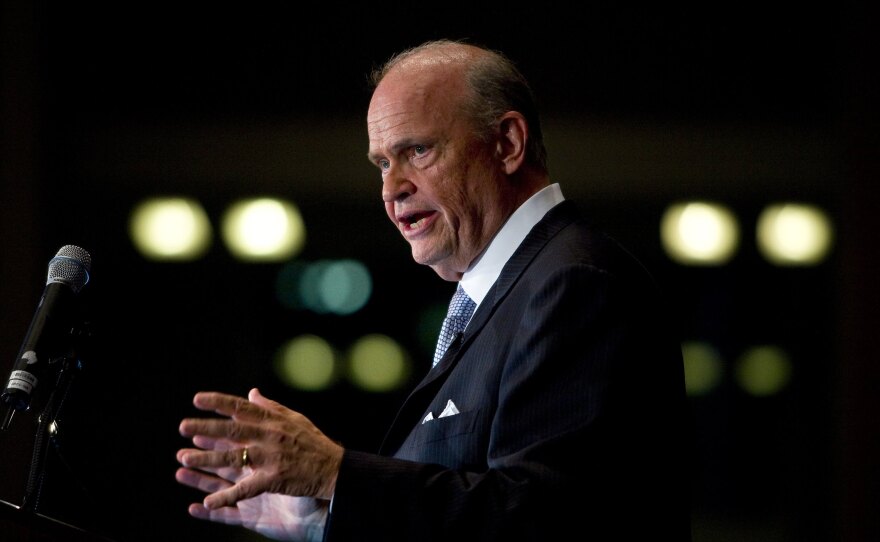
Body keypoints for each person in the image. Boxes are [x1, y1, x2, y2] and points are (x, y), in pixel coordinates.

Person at [175, 39, 693, 541]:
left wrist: (338, 474)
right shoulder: (498, 298)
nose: (390, 188)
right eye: (382, 163)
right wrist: (326, 519)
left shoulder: (571, 285)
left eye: (417, 151)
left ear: (507, 143)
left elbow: (545, 519)